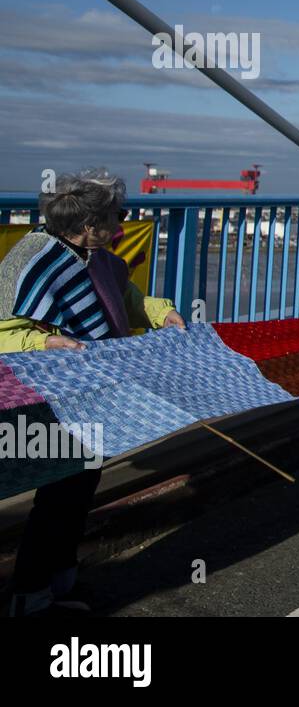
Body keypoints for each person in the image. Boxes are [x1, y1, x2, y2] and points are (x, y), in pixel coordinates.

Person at [0, 169, 185, 617]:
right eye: (115, 217)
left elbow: (128, 298)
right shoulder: (31, 257)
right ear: (87, 224)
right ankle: (30, 595)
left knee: (82, 483)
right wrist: (42, 342)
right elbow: (6, 331)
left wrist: (164, 315)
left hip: (89, 392)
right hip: (43, 396)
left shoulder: (100, 258)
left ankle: (60, 579)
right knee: (59, 492)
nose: (121, 226)